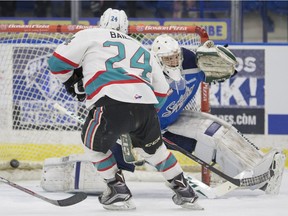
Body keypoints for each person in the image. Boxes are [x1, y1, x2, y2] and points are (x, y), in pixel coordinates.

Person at [42, 8, 285, 198]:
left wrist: (227, 67)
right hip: (144, 124)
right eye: (166, 59)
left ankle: (260, 174)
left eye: (174, 57)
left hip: (169, 121)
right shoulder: (145, 62)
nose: (172, 61)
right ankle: (118, 190)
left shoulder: (189, 61)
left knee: (216, 134)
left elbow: (218, 66)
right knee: (115, 159)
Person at [47, 8, 201, 210]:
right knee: (156, 152)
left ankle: (117, 190)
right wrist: (141, 116)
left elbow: (56, 62)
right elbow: (163, 91)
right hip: (146, 105)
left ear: (101, 23)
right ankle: (187, 193)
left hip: (110, 100)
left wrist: (71, 83)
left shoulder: (90, 34)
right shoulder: (141, 48)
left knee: (93, 147)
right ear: (126, 28)